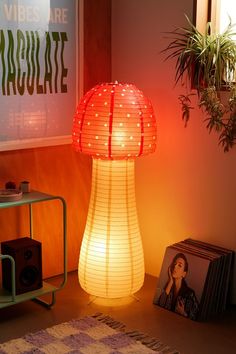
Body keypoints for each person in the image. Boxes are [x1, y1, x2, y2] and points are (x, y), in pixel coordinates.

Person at [156, 252, 199, 320]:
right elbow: (159, 305)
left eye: (179, 265)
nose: (175, 267)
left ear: (184, 274)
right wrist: (170, 281)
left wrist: (183, 314)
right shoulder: (168, 287)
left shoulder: (190, 294)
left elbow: (196, 318)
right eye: (175, 264)